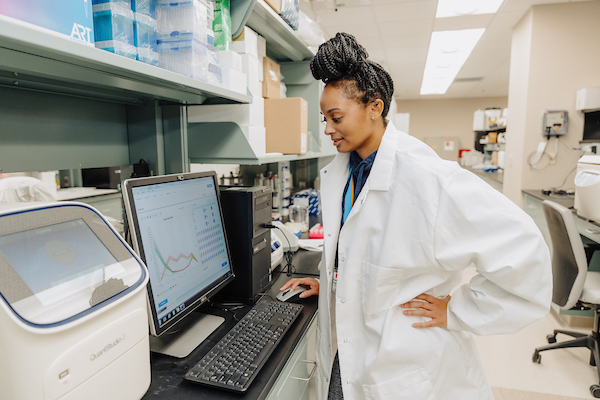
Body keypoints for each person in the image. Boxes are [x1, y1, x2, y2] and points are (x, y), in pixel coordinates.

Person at [280, 33, 552, 400]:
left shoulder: (431, 180)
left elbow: (526, 254)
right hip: (349, 355)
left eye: (336, 117)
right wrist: (331, 284)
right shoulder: (343, 171)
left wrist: (456, 310)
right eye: (324, 118)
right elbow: (362, 252)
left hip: (405, 366)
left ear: (374, 107)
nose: (327, 129)